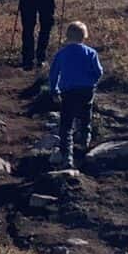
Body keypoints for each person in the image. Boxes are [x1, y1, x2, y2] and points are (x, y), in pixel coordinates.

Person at [47, 19, 102, 167]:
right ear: (84, 36)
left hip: (68, 91)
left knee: (66, 124)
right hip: (87, 90)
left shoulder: (61, 53)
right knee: (85, 116)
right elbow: (98, 72)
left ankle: (67, 157)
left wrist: (54, 90)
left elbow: (53, 74)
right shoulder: (91, 52)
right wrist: (92, 82)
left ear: (67, 36)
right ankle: (85, 143)